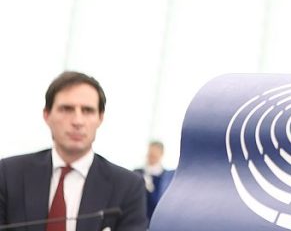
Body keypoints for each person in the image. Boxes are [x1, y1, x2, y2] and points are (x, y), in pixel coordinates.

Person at [0, 71, 147, 231]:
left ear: (100, 118)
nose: (78, 121)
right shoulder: (8, 174)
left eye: (87, 111)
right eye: (67, 109)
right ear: (47, 115)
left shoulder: (128, 186)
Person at [133, 141, 174, 221]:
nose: (150, 157)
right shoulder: (137, 173)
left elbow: (162, 201)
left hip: (156, 218)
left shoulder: (167, 177)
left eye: (153, 155)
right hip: (138, 217)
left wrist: (150, 188)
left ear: (161, 154)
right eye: (149, 154)